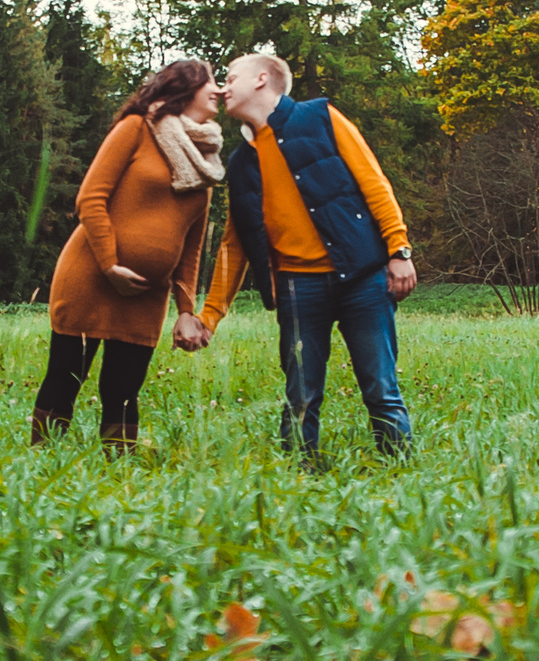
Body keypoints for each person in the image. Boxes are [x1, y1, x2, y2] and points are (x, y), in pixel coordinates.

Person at [177, 51, 416, 457]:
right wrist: (210, 316)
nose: (222, 87)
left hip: (361, 276)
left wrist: (399, 249)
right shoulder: (241, 163)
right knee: (301, 398)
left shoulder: (321, 117)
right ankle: (299, 480)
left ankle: (401, 471)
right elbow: (235, 245)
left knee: (381, 388)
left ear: (262, 79)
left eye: (231, 77)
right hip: (296, 289)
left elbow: (374, 183)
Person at [32, 58, 226, 449]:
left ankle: (118, 476)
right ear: (185, 88)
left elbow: (192, 246)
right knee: (65, 377)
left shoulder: (206, 163)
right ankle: (41, 464)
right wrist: (110, 265)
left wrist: (187, 310)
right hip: (90, 277)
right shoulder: (136, 129)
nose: (220, 90)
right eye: (212, 82)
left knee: (123, 390)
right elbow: (90, 199)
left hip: (146, 297)